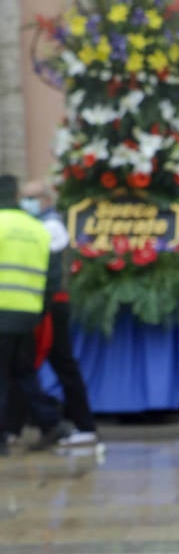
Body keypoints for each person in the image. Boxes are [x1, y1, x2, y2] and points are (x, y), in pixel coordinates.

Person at [18, 181, 97, 446]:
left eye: (32, 198)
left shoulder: (51, 227)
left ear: (46, 200)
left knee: (62, 362)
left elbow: (52, 273)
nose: (26, 203)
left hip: (52, 305)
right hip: (38, 303)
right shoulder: (36, 226)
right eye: (24, 198)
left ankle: (82, 424)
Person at [0, 173, 72, 455]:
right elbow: (53, 278)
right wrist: (39, 310)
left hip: (2, 313)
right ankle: (52, 422)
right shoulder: (37, 228)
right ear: (17, 196)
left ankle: (4, 434)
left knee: (5, 377)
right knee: (24, 374)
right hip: (28, 316)